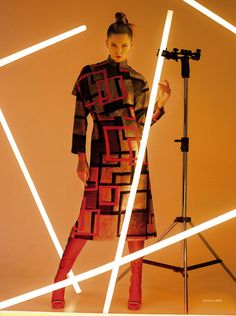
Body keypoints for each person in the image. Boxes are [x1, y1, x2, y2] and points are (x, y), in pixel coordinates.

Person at [51, 12, 171, 311]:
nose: (120, 51)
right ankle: (59, 283)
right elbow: (80, 119)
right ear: (107, 42)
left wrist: (160, 105)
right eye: (115, 45)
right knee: (85, 222)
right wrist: (81, 158)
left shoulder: (139, 80)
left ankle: (135, 287)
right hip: (102, 152)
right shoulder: (89, 75)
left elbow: (140, 125)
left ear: (132, 45)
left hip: (133, 158)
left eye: (125, 46)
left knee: (135, 225)